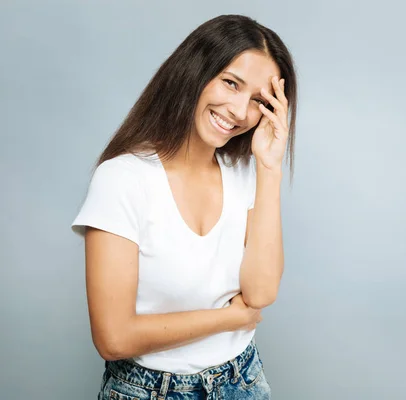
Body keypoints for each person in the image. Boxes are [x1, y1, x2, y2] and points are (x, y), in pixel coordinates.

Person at [71, 14, 297, 400]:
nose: (240, 111)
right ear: (195, 72)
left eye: (259, 100)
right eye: (230, 83)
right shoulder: (123, 179)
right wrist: (229, 318)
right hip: (149, 390)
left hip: (242, 379)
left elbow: (259, 294)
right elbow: (113, 337)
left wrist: (270, 168)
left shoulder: (245, 171)